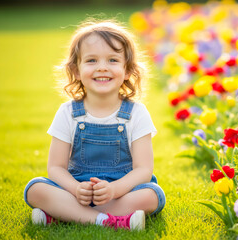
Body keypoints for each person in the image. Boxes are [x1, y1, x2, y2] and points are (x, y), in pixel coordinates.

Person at [23, 19, 165, 230]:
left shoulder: (136, 113)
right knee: (34, 189)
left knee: (152, 195)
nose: (102, 68)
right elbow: (56, 167)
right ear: (76, 70)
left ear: (127, 70)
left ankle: (65, 214)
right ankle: (106, 221)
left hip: (121, 192)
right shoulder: (68, 113)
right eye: (91, 61)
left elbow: (143, 169)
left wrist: (114, 189)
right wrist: (75, 188)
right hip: (77, 192)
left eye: (112, 60)